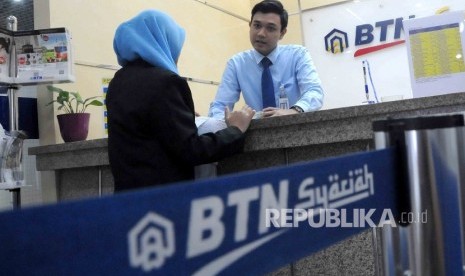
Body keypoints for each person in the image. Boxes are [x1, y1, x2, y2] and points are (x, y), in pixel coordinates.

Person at [106, 10, 255, 192]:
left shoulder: (118, 82)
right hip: (164, 199)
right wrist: (235, 130)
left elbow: (146, 127)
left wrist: (179, 116)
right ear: (162, 41)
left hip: (127, 198)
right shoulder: (166, 82)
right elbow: (191, 150)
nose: (176, 55)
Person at [208, 0, 324, 119]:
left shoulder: (297, 55)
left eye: (270, 28)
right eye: (257, 26)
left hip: (294, 127)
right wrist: (225, 121)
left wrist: (294, 111)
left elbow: (314, 91)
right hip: (256, 132)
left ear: (282, 33)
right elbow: (220, 106)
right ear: (250, 26)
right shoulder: (237, 63)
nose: (261, 34)